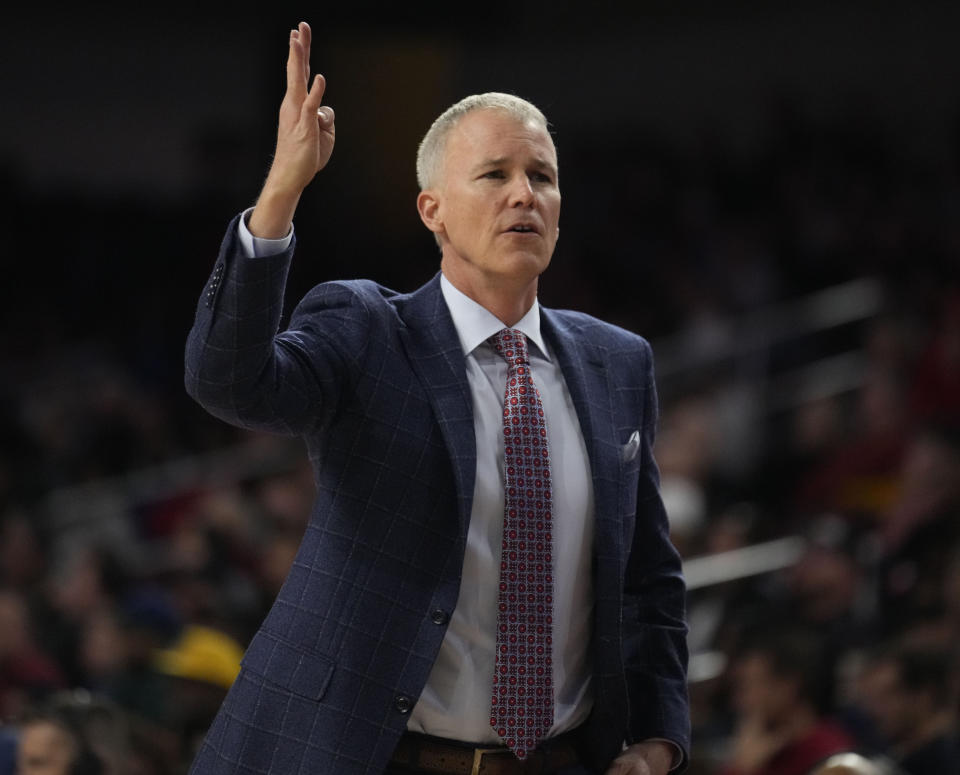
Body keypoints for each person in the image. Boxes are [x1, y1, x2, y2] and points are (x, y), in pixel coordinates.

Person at [184, 20, 689, 775]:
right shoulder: (366, 329)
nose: (524, 194)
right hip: (370, 754)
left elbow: (647, 578)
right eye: (494, 175)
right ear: (433, 211)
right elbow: (230, 383)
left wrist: (657, 738)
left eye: (542, 176)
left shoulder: (620, 363)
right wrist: (281, 193)